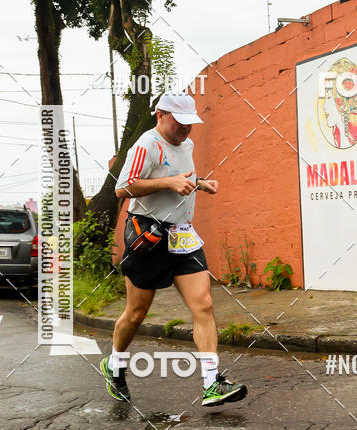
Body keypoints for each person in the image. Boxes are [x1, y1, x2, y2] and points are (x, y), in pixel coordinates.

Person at [100, 93, 247, 408]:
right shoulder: (147, 145)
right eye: (179, 121)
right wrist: (167, 183)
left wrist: (201, 183)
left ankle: (211, 383)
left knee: (204, 305)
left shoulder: (187, 144)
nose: (186, 128)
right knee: (137, 313)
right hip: (148, 235)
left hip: (182, 236)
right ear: (160, 115)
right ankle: (114, 364)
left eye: (190, 122)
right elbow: (122, 188)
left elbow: (184, 177)